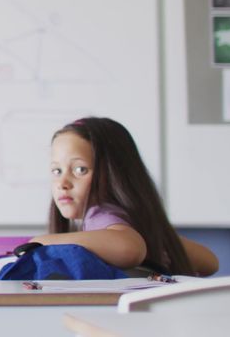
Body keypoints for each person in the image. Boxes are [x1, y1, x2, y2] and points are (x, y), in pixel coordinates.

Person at [30, 117, 218, 276]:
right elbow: (210, 262)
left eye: (80, 170)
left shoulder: (100, 216)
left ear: (114, 173)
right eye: (56, 170)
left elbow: (128, 248)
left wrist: (42, 242)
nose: (63, 183)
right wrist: (159, 242)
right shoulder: (127, 220)